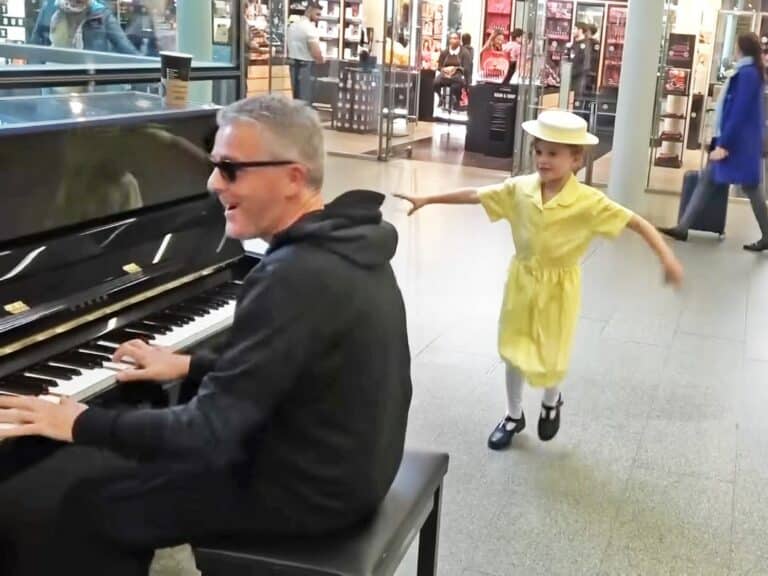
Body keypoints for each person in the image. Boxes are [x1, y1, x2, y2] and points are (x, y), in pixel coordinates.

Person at [0, 94, 412, 575]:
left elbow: (207, 431)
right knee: (142, 459)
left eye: (231, 169)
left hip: (312, 493)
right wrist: (190, 364)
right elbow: (290, 367)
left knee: (90, 503)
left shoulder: (294, 275)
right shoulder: (346, 241)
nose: (213, 183)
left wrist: (77, 421)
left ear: (293, 178)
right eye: (216, 165)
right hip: (353, 467)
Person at [396, 110, 683, 450]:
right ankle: (513, 415)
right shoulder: (520, 189)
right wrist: (429, 198)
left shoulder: (588, 202)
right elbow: (477, 194)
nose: (543, 160)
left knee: (552, 352)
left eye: (553, 153)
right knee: (514, 349)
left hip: (560, 287)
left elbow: (636, 222)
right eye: (539, 151)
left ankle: (551, 400)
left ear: (576, 160)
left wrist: (666, 257)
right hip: (522, 280)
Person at [659, 32, 768, 251]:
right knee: (709, 180)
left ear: (741, 48)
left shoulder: (747, 74)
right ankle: (683, 227)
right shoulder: (748, 72)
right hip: (738, 142)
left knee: (751, 188)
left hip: (738, 144)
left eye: (736, 46)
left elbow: (738, 112)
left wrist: (724, 144)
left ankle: (767, 234)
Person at [30, 0, 138, 54]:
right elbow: (36, 44)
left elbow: (124, 45)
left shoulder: (100, 12)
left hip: (91, 82)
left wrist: (148, 68)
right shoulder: (50, 8)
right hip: (55, 80)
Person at [286, 2, 324, 103]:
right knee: (305, 98)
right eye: (317, 14)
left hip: (292, 64)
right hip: (306, 66)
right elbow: (315, 52)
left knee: (294, 98)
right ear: (309, 10)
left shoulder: (292, 26)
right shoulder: (310, 29)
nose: (318, 18)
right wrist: (321, 60)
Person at [433, 31, 472, 108]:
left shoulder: (464, 52)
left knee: (457, 85)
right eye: (451, 38)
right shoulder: (445, 52)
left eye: (455, 38)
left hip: (457, 74)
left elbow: (466, 68)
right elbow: (439, 66)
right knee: (435, 83)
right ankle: (441, 97)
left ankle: (455, 99)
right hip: (445, 73)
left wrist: (455, 69)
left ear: (459, 40)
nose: (453, 40)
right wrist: (444, 69)